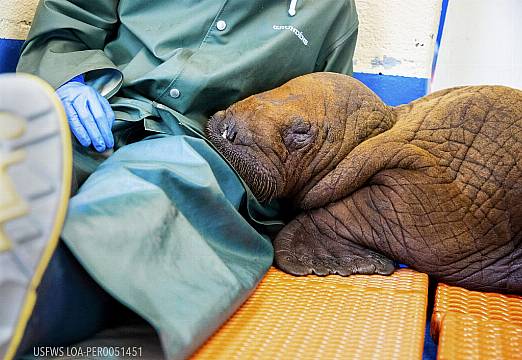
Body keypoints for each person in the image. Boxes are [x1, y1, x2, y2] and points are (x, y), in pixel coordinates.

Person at [2, 0, 359, 358]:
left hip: (207, 147)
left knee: (146, 188)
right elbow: (70, 19)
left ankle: (41, 301)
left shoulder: (329, 12)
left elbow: (333, 129)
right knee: (34, 151)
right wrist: (70, 80)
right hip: (105, 110)